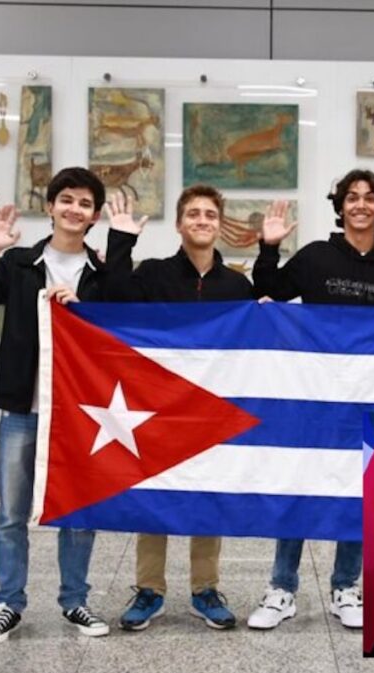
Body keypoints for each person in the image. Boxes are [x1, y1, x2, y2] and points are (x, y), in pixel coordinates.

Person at [0, 167, 128, 645]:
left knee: (77, 512)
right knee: (12, 513)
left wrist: (85, 311)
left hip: (81, 416)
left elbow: (122, 329)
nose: (75, 210)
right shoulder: (18, 262)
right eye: (67, 200)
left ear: (94, 216)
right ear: (50, 206)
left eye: (84, 204)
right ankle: (8, 603)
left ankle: (75, 600)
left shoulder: (99, 272)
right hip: (23, 409)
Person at [248, 169, 374, 632]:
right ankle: (281, 588)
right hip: (313, 394)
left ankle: (347, 587)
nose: (360, 205)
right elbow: (268, 291)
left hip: (367, 398)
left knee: (356, 492)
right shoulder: (317, 256)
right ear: (341, 207)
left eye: (368, 198)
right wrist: (268, 247)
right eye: (351, 198)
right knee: (299, 486)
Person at [99, 185, 252, 631]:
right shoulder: (153, 274)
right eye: (193, 214)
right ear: (180, 224)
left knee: (207, 496)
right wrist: (121, 240)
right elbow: (112, 300)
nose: (202, 220)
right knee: (155, 497)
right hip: (157, 406)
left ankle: (205, 588)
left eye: (209, 214)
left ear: (219, 223)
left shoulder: (237, 285)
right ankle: (150, 589)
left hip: (212, 409)